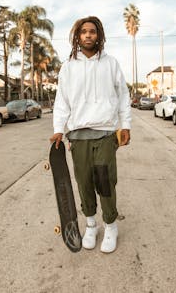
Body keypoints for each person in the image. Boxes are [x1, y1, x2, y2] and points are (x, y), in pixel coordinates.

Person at [50, 16, 131, 253]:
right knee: (84, 181)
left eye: (92, 31)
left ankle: (110, 225)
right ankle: (91, 225)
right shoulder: (68, 67)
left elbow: (123, 95)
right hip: (78, 135)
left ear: (99, 35)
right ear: (77, 36)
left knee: (105, 181)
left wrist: (125, 125)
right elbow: (61, 102)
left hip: (105, 133)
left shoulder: (111, 63)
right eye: (83, 32)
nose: (88, 35)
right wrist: (58, 130)